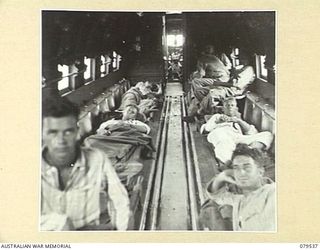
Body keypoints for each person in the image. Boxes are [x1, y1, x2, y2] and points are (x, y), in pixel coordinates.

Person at [41, 97, 130, 231]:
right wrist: (60, 223)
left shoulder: (97, 159)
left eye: (68, 131)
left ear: (77, 132)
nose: (61, 140)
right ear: (42, 134)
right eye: (52, 132)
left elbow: (121, 203)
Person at [201, 144, 275, 231]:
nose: (241, 173)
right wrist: (222, 176)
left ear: (260, 172)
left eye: (247, 167)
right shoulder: (239, 200)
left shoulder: (272, 193)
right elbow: (217, 197)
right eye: (236, 168)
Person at [200, 97, 273, 166]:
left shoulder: (238, 119)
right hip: (222, 135)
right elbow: (206, 129)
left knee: (267, 135)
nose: (230, 107)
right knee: (223, 145)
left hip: (237, 138)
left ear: (235, 108)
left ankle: (250, 151)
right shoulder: (217, 116)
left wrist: (238, 121)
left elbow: (252, 132)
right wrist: (217, 122)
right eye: (227, 105)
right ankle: (234, 163)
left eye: (232, 105)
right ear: (223, 108)